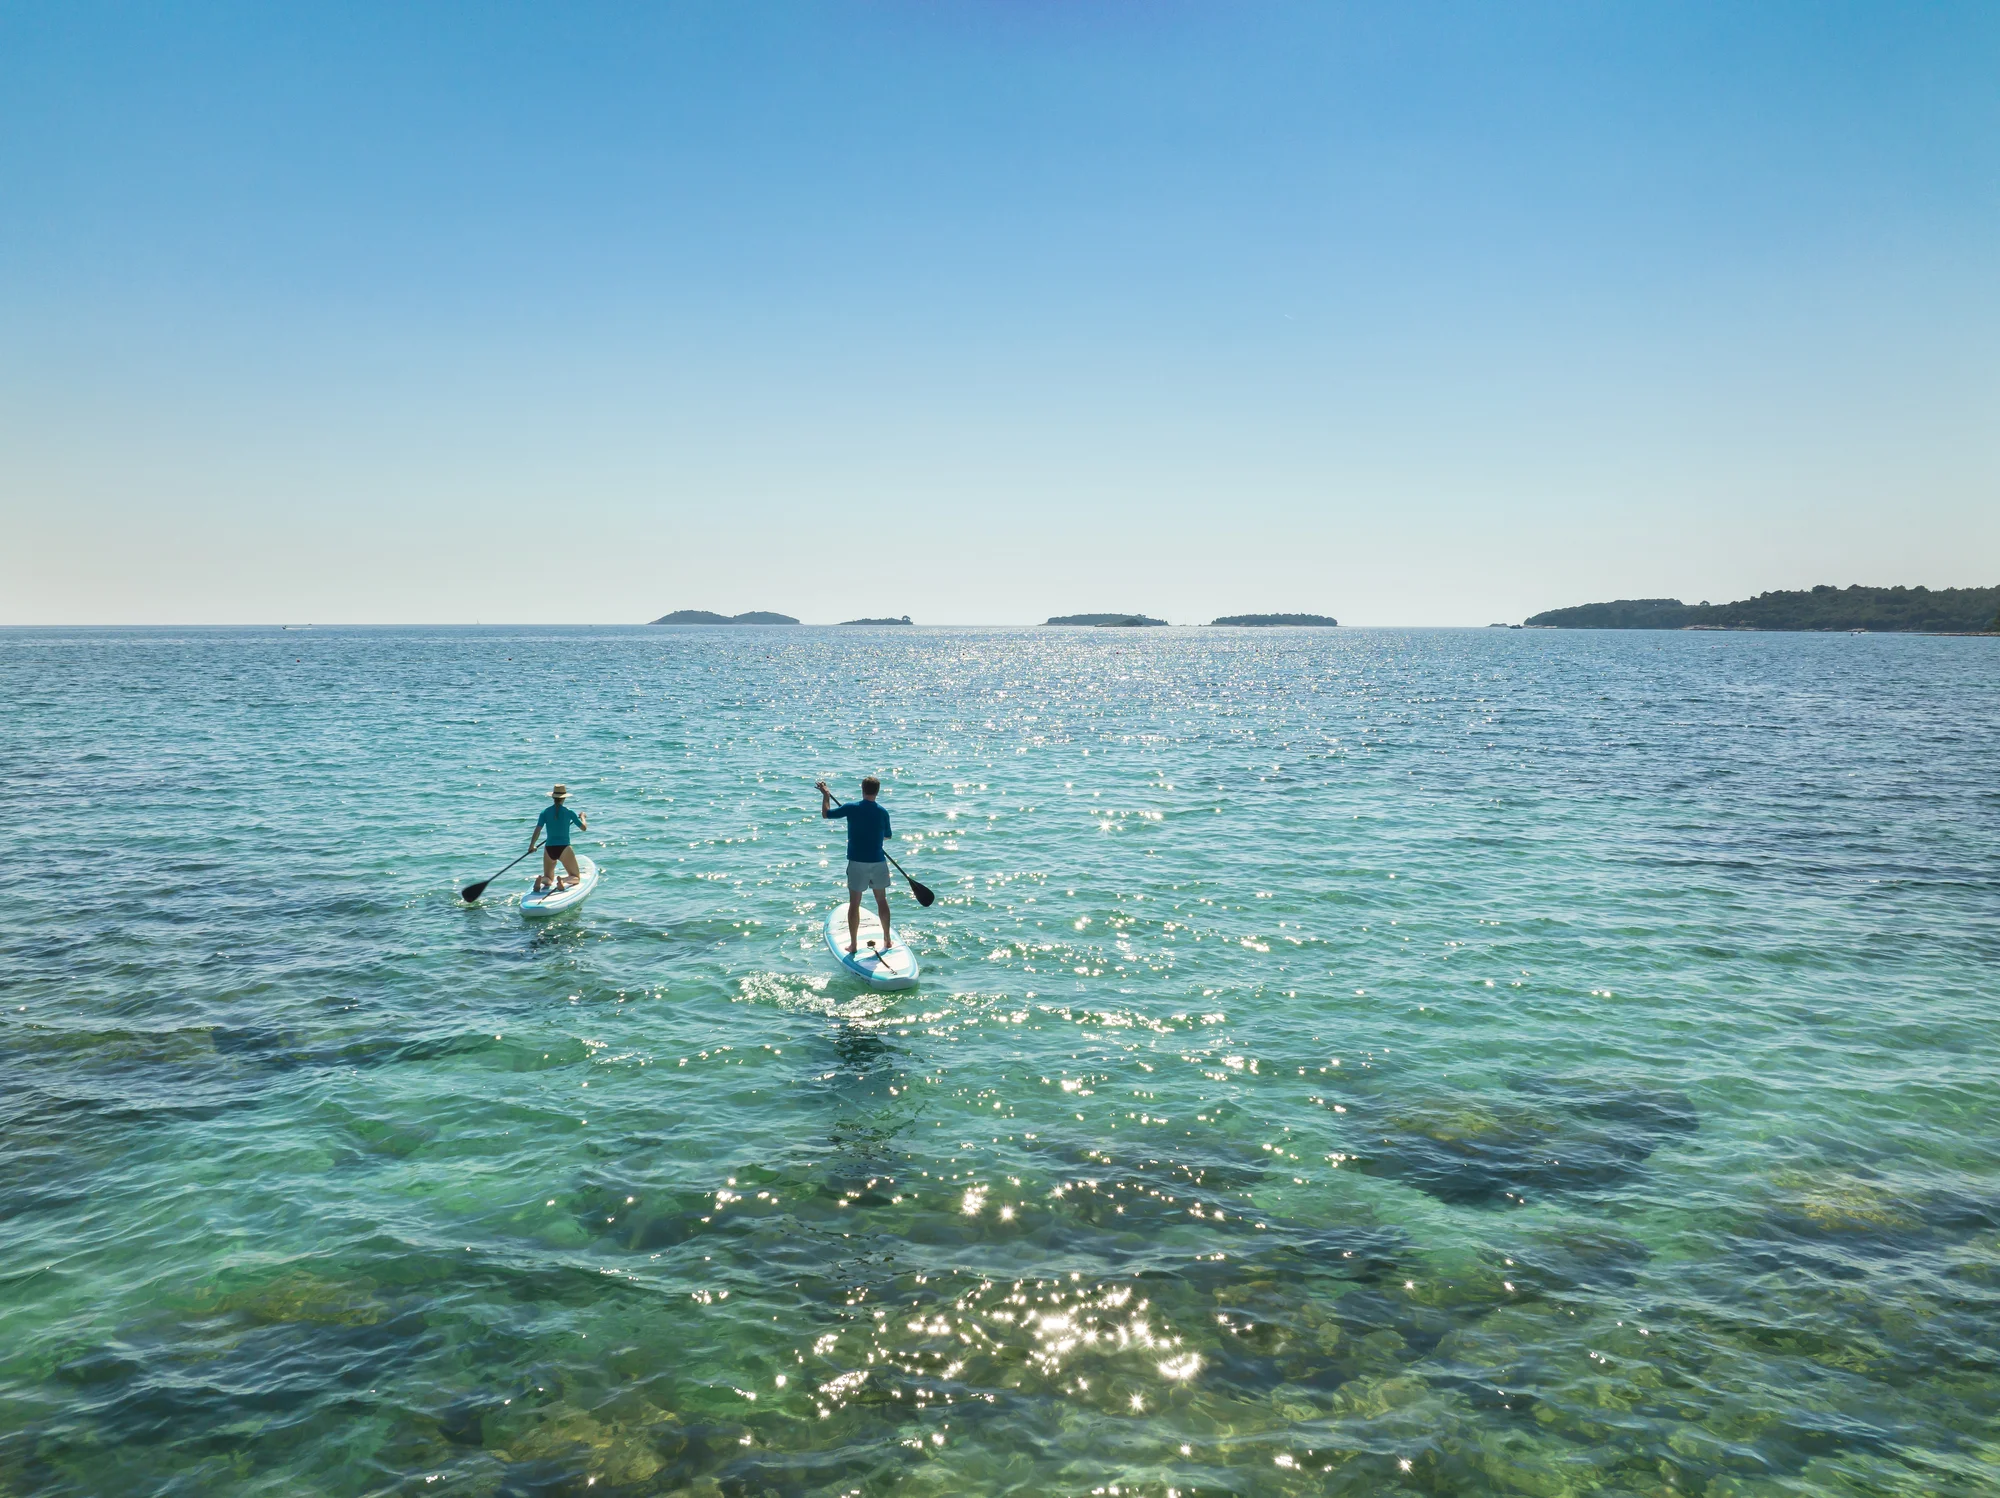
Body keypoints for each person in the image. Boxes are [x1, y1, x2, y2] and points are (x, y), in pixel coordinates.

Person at [818, 776, 892, 954]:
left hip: (857, 863)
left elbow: (826, 814)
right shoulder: (883, 812)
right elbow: (887, 836)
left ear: (862, 789)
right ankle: (887, 939)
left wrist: (826, 795)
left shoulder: (851, 808)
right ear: (877, 791)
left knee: (855, 903)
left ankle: (853, 945)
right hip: (878, 861)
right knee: (881, 900)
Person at [530, 784, 587, 892]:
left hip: (549, 848)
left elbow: (538, 830)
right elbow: (583, 828)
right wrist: (583, 817)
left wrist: (532, 846)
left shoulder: (545, 812)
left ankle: (541, 880)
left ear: (553, 797)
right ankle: (563, 881)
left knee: (549, 879)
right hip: (564, 848)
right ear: (564, 798)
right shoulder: (569, 812)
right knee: (576, 877)